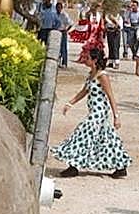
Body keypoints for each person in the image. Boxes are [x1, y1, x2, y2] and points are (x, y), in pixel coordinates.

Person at [52, 47, 131, 179]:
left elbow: (111, 96)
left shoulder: (102, 76)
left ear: (94, 60)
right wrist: (70, 103)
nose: (85, 60)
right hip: (94, 111)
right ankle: (121, 166)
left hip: (99, 113)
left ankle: (74, 165)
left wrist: (116, 117)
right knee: (106, 138)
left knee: (82, 134)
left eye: (88, 58)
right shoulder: (91, 74)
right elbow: (84, 91)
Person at [55, 1, 71, 68]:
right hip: (56, 31)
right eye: (57, 7)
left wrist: (66, 30)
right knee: (56, 48)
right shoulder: (54, 14)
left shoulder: (64, 15)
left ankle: (64, 63)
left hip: (63, 32)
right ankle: (57, 61)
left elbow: (70, 23)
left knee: (63, 48)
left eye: (59, 7)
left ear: (61, 8)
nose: (58, 9)